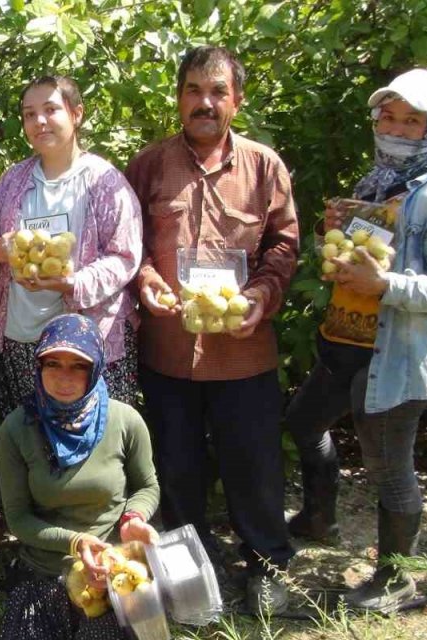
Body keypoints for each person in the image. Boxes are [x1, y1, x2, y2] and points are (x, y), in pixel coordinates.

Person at [284, 68, 427, 612]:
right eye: (388, 116)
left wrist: (384, 284)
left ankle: (396, 578)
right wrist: (333, 234)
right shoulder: (381, 182)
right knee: (303, 421)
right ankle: (320, 517)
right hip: (345, 341)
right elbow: (365, 252)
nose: (396, 128)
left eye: (411, 120)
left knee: (391, 470)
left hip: (392, 356)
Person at [126, 46, 299, 612]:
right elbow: (129, 247)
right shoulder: (149, 165)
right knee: (175, 471)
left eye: (218, 91)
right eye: (195, 90)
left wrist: (261, 296)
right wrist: (147, 276)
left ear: (237, 99)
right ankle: (187, 577)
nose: (206, 102)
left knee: (253, 467)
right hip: (168, 351)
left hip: (242, 352)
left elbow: (284, 244)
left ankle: (268, 566)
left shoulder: (263, 165)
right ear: (178, 97)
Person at [0, 75, 143, 419]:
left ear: (77, 114)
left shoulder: (104, 181)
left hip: (84, 342)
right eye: (29, 114)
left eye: (50, 110)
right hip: (21, 338)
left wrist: (73, 282)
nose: (39, 121)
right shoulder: (14, 180)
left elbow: (125, 257)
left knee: (93, 443)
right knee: (33, 443)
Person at [0, 314, 159, 640]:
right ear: (38, 366)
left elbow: (147, 486)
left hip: (113, 569)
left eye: (79, 366)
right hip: (46, 570)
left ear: (96, 367)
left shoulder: (124, 420)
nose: (63, 377)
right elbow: (18, 519)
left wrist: (133, 517)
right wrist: (75, 541)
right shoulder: (17, 428)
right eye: (52, 363)